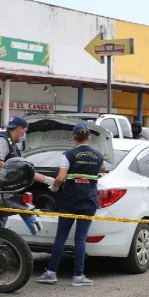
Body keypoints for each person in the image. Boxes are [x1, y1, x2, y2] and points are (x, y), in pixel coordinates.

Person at [36, 123, 105, 287]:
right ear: (89, 137)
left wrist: (53, 187)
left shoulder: (68, 155)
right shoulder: (98, 156)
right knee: (80, 238)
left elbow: (60, 178)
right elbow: (102, 171)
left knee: (61, 237)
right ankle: (78, 276)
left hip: (69, 201)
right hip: (88, 201)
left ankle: (51, 273)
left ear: (74, 138)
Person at [0, 115, 54, 229]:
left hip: (2, 194)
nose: (24, 134)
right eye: (24, 131)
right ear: (19, 129)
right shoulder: (2, 140)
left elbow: (24, 171)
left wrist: (48, 180)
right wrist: (15, 173)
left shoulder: (13, 146)